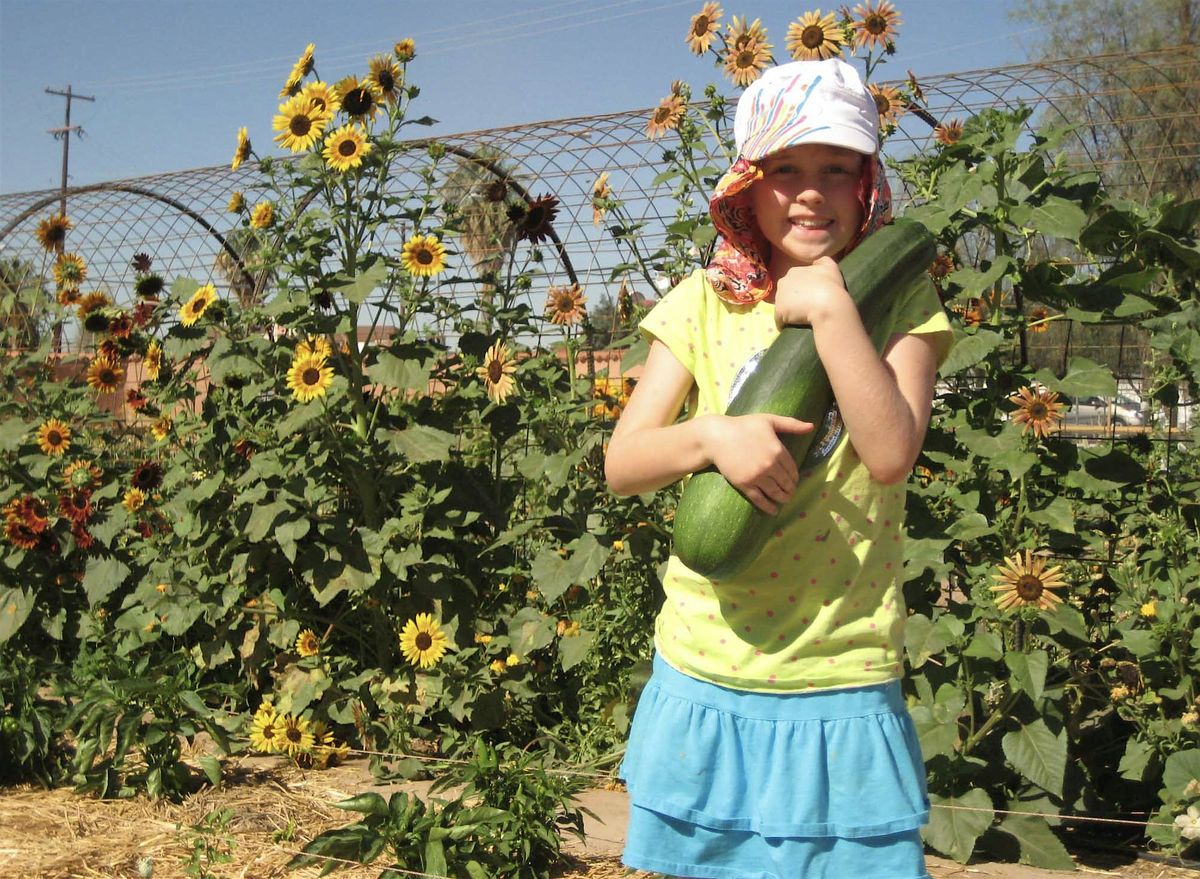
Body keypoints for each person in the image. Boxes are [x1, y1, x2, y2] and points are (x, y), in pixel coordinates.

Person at [604, 57, 953, 879]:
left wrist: (833, 309)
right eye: (785, 169)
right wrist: (711, 438)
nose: (810, 192)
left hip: (840, 671)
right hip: (708, 664)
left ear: (867, 184)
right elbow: (623, 461)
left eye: (837, 169)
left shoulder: (899, 303)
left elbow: (891, 451)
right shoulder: (702, 302)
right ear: (745, 187)